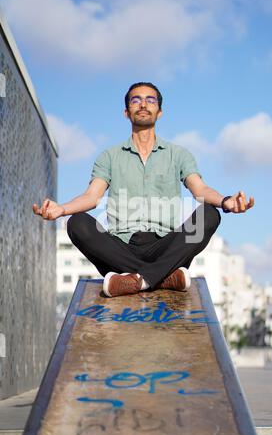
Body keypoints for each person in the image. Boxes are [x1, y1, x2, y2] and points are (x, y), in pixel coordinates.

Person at [33, 82, 254, 297]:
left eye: (150, 100)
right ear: (126, 112)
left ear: (159, 112)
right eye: (135, 100)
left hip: (166, 247)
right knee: (77, 222)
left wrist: (226, 201)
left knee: (210, 214)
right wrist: (62, 209)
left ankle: (139, 280)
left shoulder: (178, 154)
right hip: (121, 249)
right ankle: (163, 278)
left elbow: (200, 189)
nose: (143, 104)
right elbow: (92, 197)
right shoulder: (109, 156)